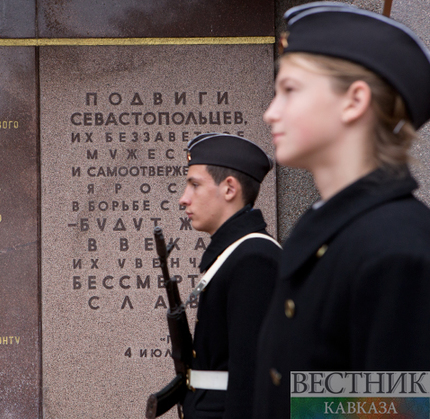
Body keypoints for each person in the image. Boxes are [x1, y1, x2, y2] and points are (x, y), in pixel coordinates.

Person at [254, 3, 430, 418]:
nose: (270, 112)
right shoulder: (337, 232)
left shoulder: (395, 248)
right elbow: (329, 402)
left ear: (354, 101)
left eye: (290, 90)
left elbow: (396, 410)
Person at [178, 133, 281, 419]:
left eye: (194, 185)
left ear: (229, 189)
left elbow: (251, 378)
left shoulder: (254, 259)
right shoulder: (237, 255)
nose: (183, 199)